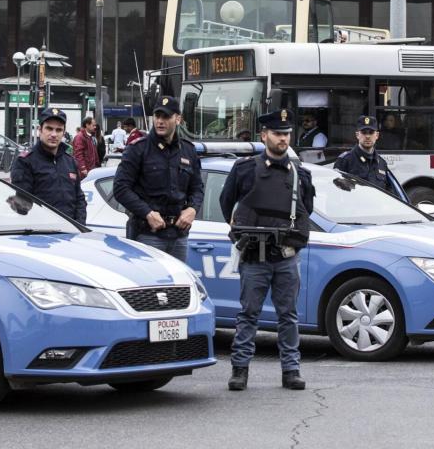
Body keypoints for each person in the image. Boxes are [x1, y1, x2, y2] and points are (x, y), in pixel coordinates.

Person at [220, 108, 315, 392]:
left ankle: (291, 370)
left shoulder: (300, 173)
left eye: (286, 134)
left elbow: (305, 209)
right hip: (255, 256)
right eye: (277, 133)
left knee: (288, 315)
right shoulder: (245, 169)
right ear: (264, 136)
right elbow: (227, 204)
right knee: (249, 314)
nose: (283, 138)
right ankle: (240, 371)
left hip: (286, 256)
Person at [112, 96, 204, 261]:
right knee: (148, 286)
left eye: (166, 117)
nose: (160, 121)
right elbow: (120, 188)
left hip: (179, 236)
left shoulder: (188, 150)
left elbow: (197, 188)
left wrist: (192, 209)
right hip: (147, 235)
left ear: (178, 119)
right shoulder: (138, 149)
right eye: (157, 116)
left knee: (178, 285)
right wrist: (147, 213)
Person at [9, 107, 86, 222]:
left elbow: (79, 198)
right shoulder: (25, 161)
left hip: (70, 232)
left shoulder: (70, 161)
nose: (54, 134)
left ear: (63, 133)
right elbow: (22, 205)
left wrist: (79, 225)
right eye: (49, 128)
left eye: (59, 130)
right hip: (41, 233)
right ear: (40, 130)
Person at [333, 115, 394, 193]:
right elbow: (334, 192)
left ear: (377, 135)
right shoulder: (345, 160)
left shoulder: (382, 163)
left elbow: (389, 194)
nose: (367, 136)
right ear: (357, 135)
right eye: (364, 132)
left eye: (371, 132)